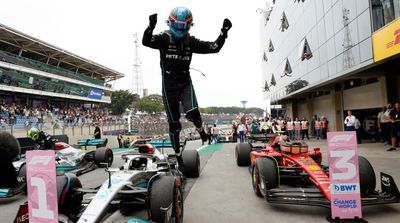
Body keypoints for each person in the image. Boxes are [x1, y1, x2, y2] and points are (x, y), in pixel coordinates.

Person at [142, 7, 232, 170]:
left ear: (190, 25)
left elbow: (214, 47)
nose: (181, 30)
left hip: (185, 82)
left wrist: (223, 32)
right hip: (168, 86)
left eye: (184, 26)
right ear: (170, 23)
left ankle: (201, 131)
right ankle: (178, 157)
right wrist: (150, 27)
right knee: (174, 125)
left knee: (193, 112)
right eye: (179, 25)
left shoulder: (191, 41)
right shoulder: (164, 38)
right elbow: (146, 41)